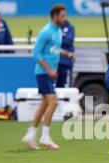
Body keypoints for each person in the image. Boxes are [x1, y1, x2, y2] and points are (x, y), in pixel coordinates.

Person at [21, 4, 75, 150]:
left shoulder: (57, 31)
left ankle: (30, 135)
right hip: (43, 72)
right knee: (53, 102)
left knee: (45, 104)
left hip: (50, 73)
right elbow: (36, 53)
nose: (65, 18)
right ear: (55, 16)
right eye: (63, 16)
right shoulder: (46, 31)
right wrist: (49, 69)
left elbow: (54, 49)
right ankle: (45, 137)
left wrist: (67, 54)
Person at [56, 20, 75, 88]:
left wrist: (57, 39)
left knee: (65, 87)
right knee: (53, 89)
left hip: (65, 62)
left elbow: (68, 41)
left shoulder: (70, 27)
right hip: (54, 63)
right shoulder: (53, 27)